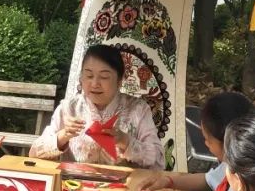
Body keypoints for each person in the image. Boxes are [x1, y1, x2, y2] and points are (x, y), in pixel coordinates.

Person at [31, 44, 164, 169]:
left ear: (119, 80)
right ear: (81, 77)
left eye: (104, 77)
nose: (95, 84)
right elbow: (34, 153)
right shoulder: (69, 109)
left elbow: (158, 161)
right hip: (74, 183)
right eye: (89, 75)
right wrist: (63, 136)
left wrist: (125, 141)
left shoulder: (138, 109)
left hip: (125, 185)